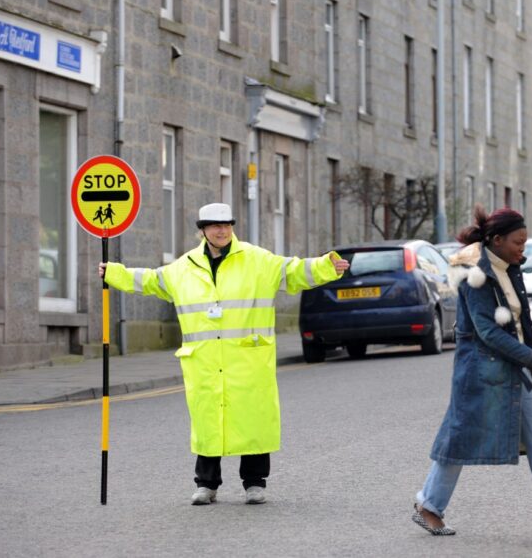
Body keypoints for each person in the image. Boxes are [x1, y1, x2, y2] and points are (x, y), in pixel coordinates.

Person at [98, 203, 349, 505]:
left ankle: (255, 483)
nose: (222, 231)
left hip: (248, 361)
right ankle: (207, 484)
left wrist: (326, 266)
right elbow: (151, 280)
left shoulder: (257, 260)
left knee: (252, 420)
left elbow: (293, 271)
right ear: (202, 230)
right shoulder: (184, 267)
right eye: (215, 226)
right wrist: (114, 273)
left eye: (227, 225)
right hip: (204, 363)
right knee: (208, 422)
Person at [412, 206, 532, 537]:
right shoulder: (475, 274)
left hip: (516, 369)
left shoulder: (510, 268)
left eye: (524, 243)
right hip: (482, 373)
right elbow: (488, 332)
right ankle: (429, 505)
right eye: (518, 243)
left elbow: (518, 324)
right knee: (460, 438)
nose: (522, 249)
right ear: (497, 240)